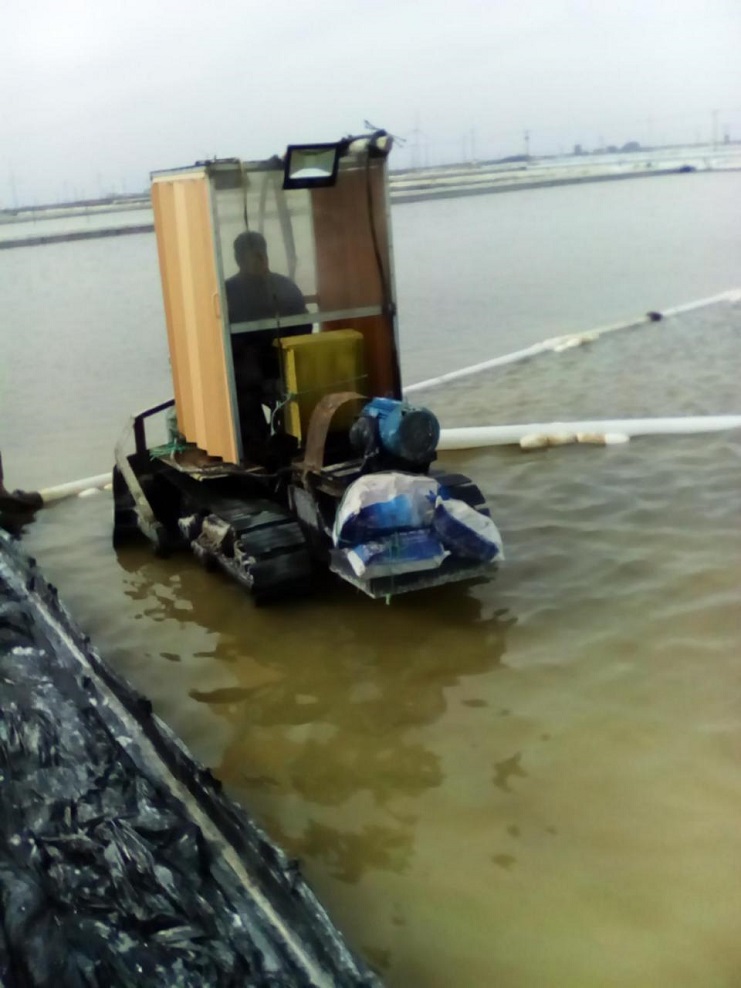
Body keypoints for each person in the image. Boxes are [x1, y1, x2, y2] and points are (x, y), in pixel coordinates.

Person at [225, 232, 310, 455]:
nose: (259, 261)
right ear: (239, 260)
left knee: (298, 394)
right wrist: (258, 377)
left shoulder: (284, 286)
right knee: (244, 401)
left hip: (281, 363)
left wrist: (287, 360)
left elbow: (304, 326)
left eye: (261, 255)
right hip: (246, 373)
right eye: (252, 257)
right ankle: (257, 450)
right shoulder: (227, 292)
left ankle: (295, 443)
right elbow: (226, 343)